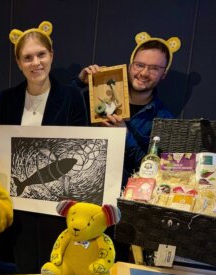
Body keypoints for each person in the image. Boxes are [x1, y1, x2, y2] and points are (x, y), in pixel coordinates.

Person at [0, 21, 89, 274]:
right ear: (18, 63)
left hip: (56, 206)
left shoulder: (71, 96)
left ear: (51, 56)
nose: (35, 62)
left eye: (41, 55)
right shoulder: (8, 98)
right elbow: (0, 147)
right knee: (22, 264)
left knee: (54, 266)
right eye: (27, 57)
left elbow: (80, 149)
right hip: (18, 204)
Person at [74, 32, 181, 186]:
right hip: (80, 183)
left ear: (164, 74)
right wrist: (79, 83)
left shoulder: (165, 120)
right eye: (139, 65)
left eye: (154, 68)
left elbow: (154, 174)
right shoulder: (98, 94)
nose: (144, 73)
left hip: (121, 196)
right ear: (131, 66)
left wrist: (125, 137)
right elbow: (58, 108)